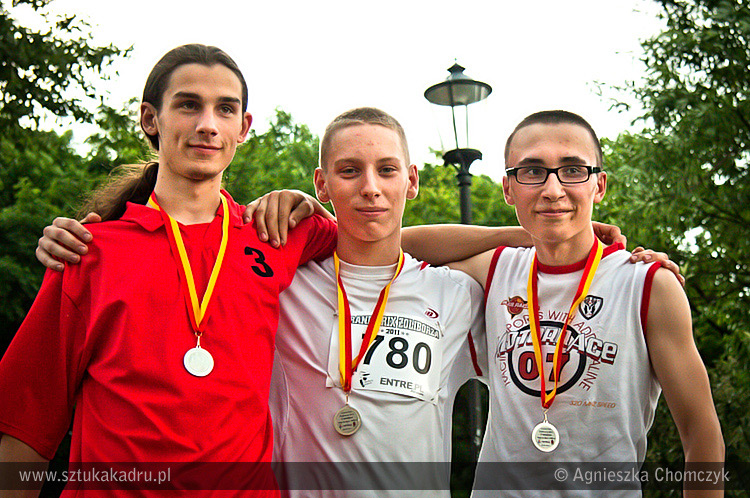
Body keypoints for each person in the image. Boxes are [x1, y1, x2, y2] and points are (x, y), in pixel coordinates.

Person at [0, 44, 339, 497]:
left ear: (243, 127)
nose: (207, 124)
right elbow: (27, 429)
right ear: (150, 119)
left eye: (225, 109)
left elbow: (381, 247)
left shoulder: (276, 233)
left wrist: (312, 204)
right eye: (188, 105)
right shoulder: (87, 252)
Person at [445, 110, 724, 497]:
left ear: (599, 184)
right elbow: (396, 247)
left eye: (573, 170)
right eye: (532, 171)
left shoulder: (647, 283)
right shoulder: (495, 269)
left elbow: (701, 433)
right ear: (508, 189)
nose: (553, 189)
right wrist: (523, 232)